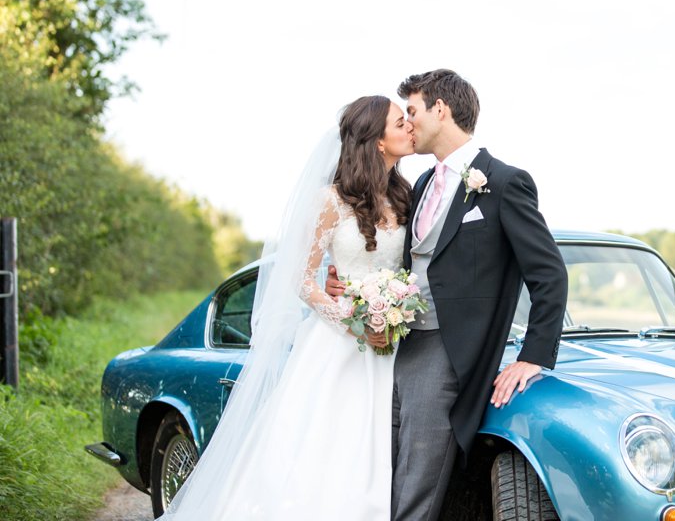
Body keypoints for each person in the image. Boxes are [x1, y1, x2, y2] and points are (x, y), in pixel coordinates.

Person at [327, 69, 568, 521]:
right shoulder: (417, 185)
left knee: (416, 488)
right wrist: (348, 287)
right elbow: (401, 261)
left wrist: (533, 356)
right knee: (377, 476)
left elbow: (549, 274)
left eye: (412, 112)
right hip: (388, 348)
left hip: (446, 353)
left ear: (441, 110)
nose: (408, 123)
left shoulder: (504, 182)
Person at [160, 95, 415, 520]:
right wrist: (356, 321)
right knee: (325, 459)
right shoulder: (330, 201)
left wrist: (390, 313)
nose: (409, 125)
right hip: (339, 350)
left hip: (396, 343)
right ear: (376, 140)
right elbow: (301, 279)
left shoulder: (408, 196)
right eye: (398, 121)